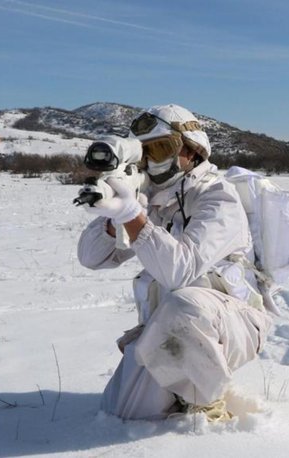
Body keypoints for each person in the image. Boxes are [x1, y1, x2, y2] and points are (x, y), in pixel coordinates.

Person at [77, 104, 271, 421]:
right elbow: (91, 257)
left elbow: (179, 272)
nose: (153, 160)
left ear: (193, 149)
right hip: (169, 326)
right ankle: (180, 388)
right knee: (121, 412)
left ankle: (205, 405)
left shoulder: (217, 196)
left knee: (186, 305)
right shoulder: (152, 198)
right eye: (145, 152)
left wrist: (132, 216)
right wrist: (114, 218)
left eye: (162, 148)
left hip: (233, 322)